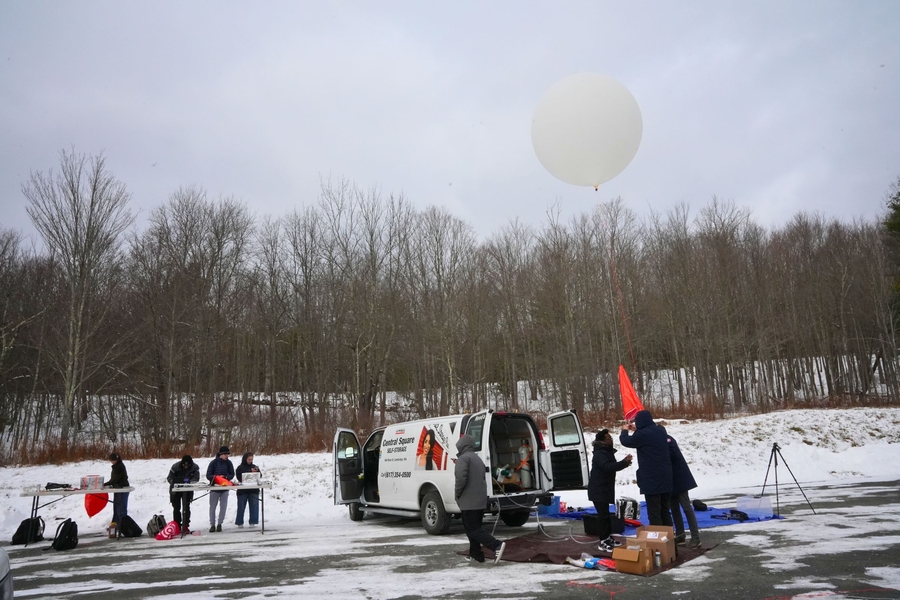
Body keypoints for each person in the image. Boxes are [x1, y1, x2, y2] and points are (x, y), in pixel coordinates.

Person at [454, 434, 505, 564]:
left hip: (468, 500)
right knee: (474, 528)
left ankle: (496, 545)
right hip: (479, 499)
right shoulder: (477, 458)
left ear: (462, 445)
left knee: (472, 529)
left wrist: (457, 493)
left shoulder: (463, 459)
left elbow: (461, 479)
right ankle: (476, 554)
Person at [619, 410, 673, 527]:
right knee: (665, 511)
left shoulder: (642, 435)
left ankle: (659, 541)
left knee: (654, 513)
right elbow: (647, 435)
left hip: (651, 479)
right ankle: (670, 539)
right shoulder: (661, 430)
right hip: (666, 476)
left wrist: (624, 430)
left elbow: (626, 441)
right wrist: (637, 430)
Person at [587, 429, 632, 552]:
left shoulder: (606, 452)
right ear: (602, 441)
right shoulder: (600, 454)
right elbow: (608, 467)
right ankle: (603, 541)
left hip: (604, 488)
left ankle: (607, 537)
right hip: (598, 489)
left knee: (606, 515)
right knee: (603, 516)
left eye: (611, 438)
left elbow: (612, 466)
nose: (611, 440)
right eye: (608, 438)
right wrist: (624, 463)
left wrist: (624, 462)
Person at [668, 434, 701, 548]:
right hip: (670, 481)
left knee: (687, 508)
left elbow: (674, 454)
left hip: (680, 480)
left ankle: (695, 537)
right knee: (674, 509)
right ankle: (680, 535)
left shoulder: (668, 440)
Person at [167, 455, 200, 533]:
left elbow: (196, 478)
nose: (185, 467)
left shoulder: (195, 468)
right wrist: (175, 482)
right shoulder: (175, 466)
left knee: (186, 508)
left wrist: (188, 482)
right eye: (184, 465)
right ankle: (177, 525)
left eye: (187, 466)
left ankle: (185, 525)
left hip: (188, 489)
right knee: (176, 508)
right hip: (176, 490)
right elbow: (169, 478)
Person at [206, 446, 235, 532]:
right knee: (212, 507)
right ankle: (212, 524)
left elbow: (232, 474)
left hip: (225, 488)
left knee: (223, 507)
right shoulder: (213, 463)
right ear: (221, 454)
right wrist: (216, 477)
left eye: (227, 454)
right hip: (214, 488)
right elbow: (208, 475)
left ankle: (220, 524)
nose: (227, 456)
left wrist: (225, 477)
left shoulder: (229, 463)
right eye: (225, 454)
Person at [235, 452, 261, 527]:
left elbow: (260, 476)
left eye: (251, 459)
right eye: (249, 459)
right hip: (243, 491)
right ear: (245, 459)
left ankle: (253, 521)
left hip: (253, 490)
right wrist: (250, 472)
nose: (250, 461)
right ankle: (240, 522)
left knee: (254, 507)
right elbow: (239, 477)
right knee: (241, 507)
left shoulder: (255, 467)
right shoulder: (240, 468)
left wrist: (256, 472)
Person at [107, 452, 130, 532]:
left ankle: (122, 525)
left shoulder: (119, 467)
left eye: (113, 460)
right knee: (117, 506)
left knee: (121, 507)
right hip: (118, 488)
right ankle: (116, 523)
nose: (112, 462)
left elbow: (114, 479)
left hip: (123, 488)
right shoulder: (116, 466)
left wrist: (106, 484)